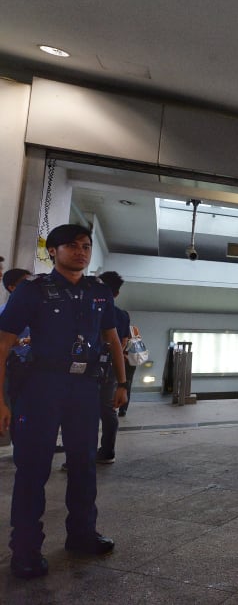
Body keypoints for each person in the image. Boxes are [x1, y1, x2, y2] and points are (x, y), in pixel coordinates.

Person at [0, 224, 129, 579]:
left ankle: (82, 535)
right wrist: (1, 400)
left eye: (85, 246)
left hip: (84, 388)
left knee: (84, 465)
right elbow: (4, 343)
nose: (81, 252)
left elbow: (112, 338)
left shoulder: (98, 292)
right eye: (71, 245)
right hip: (40, 387)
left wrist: (121, 383)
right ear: (53, 251)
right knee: (33, 468)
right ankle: (25, 550)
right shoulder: (31, 291)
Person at [95, 271, 132, 463]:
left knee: (84, 409)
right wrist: (122, 383)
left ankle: (80, 455)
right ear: (116, 294)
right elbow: (123, 343)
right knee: (107, 409)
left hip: (86, 367)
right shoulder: (122, 315)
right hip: (110, 366)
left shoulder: (90, 309)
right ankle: (107, 451)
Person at [1, 268, 33, 440]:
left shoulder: (35, 310)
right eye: (25, 283)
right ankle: (19, 441)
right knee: (19, 406)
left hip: (36, 366)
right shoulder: (5, 311)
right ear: (12, 287)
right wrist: (24, 341)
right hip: (16, 366)